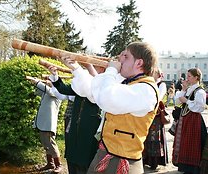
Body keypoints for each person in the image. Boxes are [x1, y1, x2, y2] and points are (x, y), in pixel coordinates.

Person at [62, 42, 159, 173]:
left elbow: (107, 97)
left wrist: (112, 70)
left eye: (126, 56)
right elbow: (93, 91)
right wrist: (76, 68)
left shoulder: (146, 90)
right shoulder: (128, 82)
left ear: (139, 63)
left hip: (122, 161)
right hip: (106, 153)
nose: (120, 58)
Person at [47, 64, 102, 174]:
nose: (90, 69)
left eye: (95, 66)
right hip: (75, 130)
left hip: (89, 130)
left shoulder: (104, 86)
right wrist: (55, 75)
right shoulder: (81, 86)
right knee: (72, 158)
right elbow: (63, 89)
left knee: (85, 161)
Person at [172, 68, 207, 174]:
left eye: (189, 76)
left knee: (192, 143)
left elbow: (200, 107)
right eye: (187, 76)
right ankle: (185, 167)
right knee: (184, 142)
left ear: (196, 77)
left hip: (194, 121)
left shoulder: (200, 91)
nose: (187, 78)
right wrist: (183, 89)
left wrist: (186, 100)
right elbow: (177, 101)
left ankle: (192, 168)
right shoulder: (189, 89)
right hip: (185, 120)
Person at [26, 76, 63, 173]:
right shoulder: (47, 91)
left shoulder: (57, 91)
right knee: (46, 144)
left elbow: (50, 91)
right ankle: (50, 163)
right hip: (43, 122)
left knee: (51, 143)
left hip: (49, 122)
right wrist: (35, 83)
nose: (48, 81)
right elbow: (37, 92)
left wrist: (38, 82)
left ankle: (58, 165)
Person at [142, 68, 168, 170]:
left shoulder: (162, 85)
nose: (152, 75)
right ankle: (145, 159)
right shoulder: (149, 83)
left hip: (156, 115)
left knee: (154, 138)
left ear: (158, 75)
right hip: (147, 113)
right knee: (146, 136)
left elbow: (159, 97)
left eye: (154, 73)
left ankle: (154, 161)